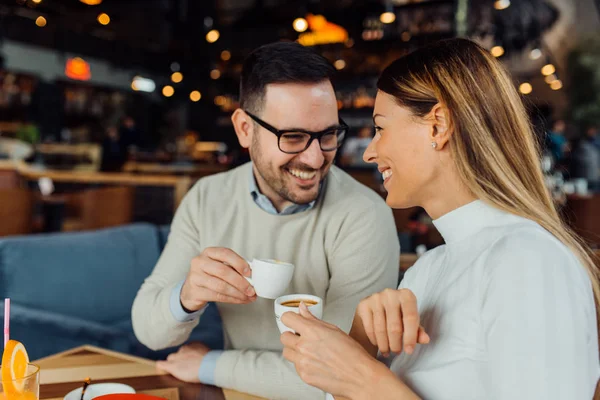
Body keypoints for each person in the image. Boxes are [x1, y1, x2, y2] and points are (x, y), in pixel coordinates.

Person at [280, 38, 600, 399]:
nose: (370, 151)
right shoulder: (427, 271)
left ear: (438, 126)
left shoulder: (529, 259)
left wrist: (366, 379)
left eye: (381, 128)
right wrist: (359, 341)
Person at [131, 42, 399, 400]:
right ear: (244, 129)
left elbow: (340, 376)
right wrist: (187, 296)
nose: (316, 158)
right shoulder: (208, 198)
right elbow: (149, 331)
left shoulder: (364, 215)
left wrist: (210, 364)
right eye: (293, 137)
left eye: (328, 135)